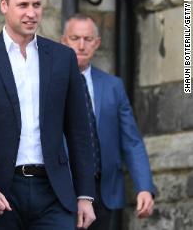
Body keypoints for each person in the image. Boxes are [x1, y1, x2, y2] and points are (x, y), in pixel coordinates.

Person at [0, 0, 96, 230]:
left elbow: (79, 132)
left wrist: (85, 195)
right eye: (23, 5)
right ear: (3, 5)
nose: (31, 13)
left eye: (37, 5)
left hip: (53, 193)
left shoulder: (63, 59)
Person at [61, 13, 156, 230]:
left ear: (97, 43)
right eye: (75, 38)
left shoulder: (113, 86)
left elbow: (131, 141)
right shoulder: (50, 85)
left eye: (88, 39)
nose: (81, 45)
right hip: (64, 192)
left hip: (105, 193)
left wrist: (144, 187)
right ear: (64, 41)